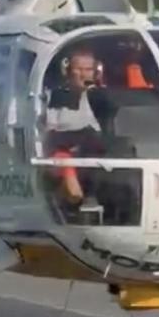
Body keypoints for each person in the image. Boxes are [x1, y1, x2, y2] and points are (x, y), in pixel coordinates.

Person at [44, 47, 114, 207]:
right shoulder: (56, 96)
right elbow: (49, 132)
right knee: (66, 165)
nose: (83, 74)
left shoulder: (98, 97)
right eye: (78, 69)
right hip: (62, 153)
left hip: (90, 153)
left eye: (88, 70)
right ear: (67, 70)